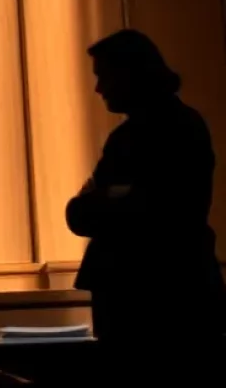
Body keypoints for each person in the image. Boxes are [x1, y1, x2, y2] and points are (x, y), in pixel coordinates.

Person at [67, 29, 226, 346]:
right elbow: (84, 212)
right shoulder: (132, 135)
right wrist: (115, 200)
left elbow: (154, 211)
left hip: (158, 294)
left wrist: (105, 201)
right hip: (148, 291)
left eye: (105, 76)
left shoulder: (175, 131)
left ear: (131, 73)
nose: (99, 88)